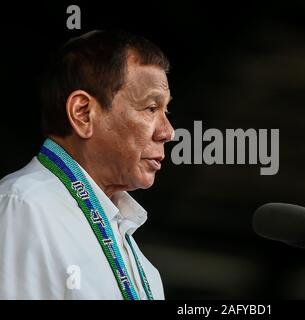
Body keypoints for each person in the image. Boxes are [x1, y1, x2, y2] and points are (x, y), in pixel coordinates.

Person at [0, 30, 174, 299]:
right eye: (151, 108)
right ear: (82, 113)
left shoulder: (144, 269)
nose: (168, 131)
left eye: (166, 111)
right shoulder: (24, 207)